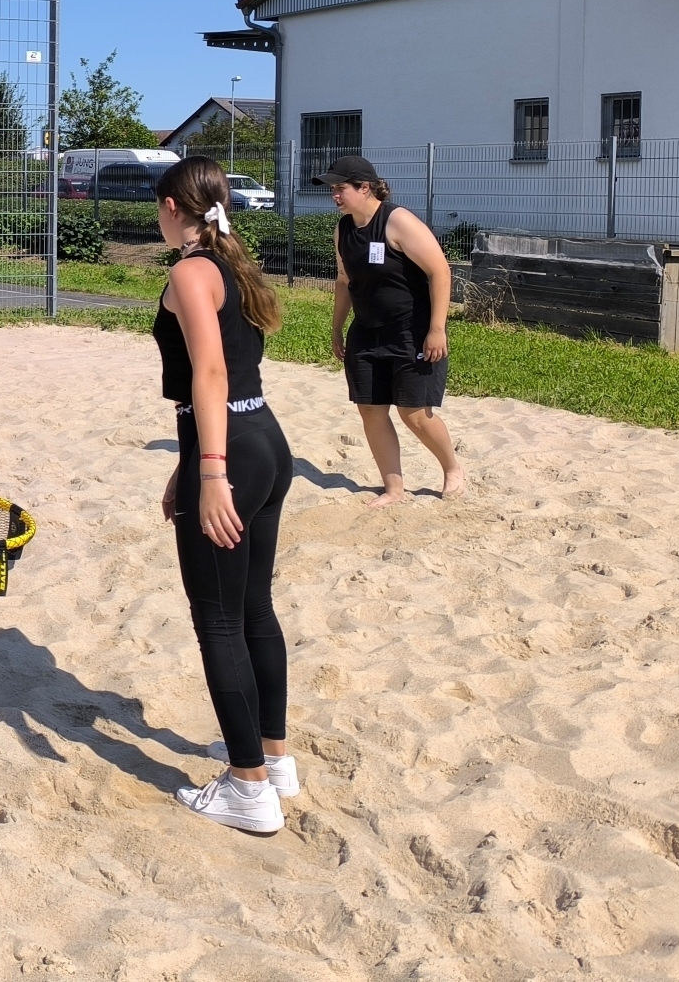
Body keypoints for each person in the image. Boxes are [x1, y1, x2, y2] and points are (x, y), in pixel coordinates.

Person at [152, 155, 296, 835]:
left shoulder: (189, 271)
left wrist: (208, 472)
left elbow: (208, 372)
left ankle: (247, 787)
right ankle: (274, 758)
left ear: (173, 208)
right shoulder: (232, 265)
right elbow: (233, 373)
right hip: (264, 437)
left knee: (219, 619)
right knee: (253, 606)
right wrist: (188, 467)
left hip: (230, 450)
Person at [324, 154, 467, 506]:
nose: (335, 196)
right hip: (367, 331)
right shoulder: (343, 230)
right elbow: (344, 281)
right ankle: (394, 488)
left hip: (411, 330)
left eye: (340, 188)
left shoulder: (397, 221)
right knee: (371, 410)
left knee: (414, 413)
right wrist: (337, 327)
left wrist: (437, 329)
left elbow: (440, 272)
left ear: (365, 188)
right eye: (333, 190)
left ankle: (452, 469)